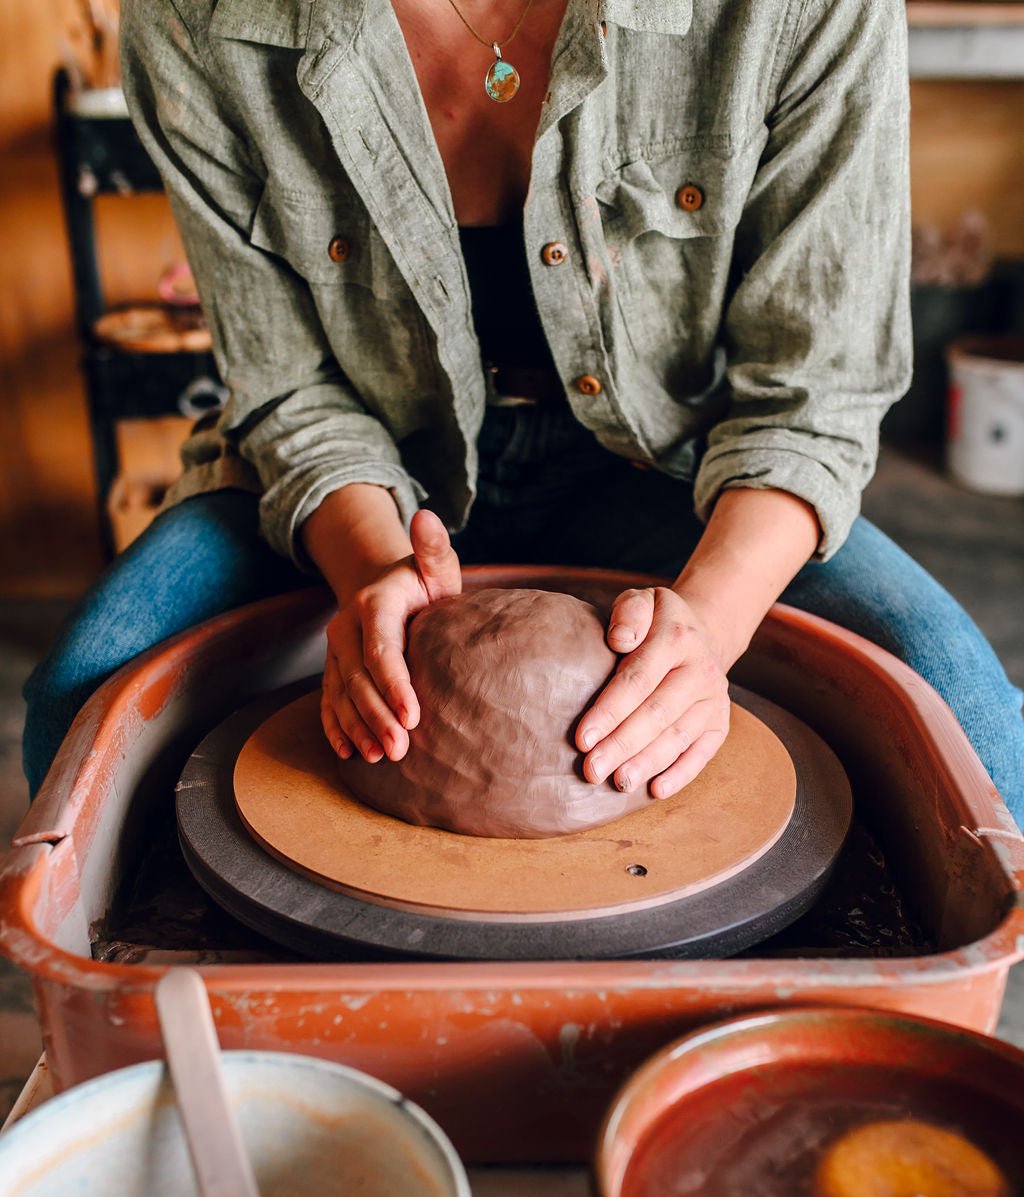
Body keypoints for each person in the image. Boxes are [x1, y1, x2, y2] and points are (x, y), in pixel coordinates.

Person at [23, 0, 1024, 829]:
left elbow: (818, 388)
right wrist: (370, 567)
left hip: (676, 465)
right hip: (365, 467)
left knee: (975, 736)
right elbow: (286, 386)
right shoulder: (198, 17)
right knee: (88, 700)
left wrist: (709, 627)